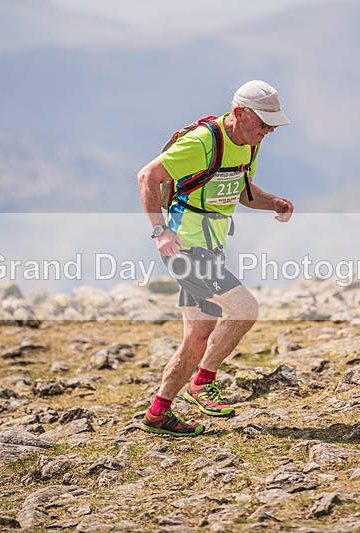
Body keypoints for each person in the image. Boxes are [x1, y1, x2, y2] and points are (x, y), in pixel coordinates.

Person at [136, 80, 294, 437]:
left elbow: (243, 193)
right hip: (187, 249)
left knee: (196, 338)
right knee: (244, 309)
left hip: (210, 249)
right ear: (239, 113)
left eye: (272, 126)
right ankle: (202, 383)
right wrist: (160, 232)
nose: (267, 132)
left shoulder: (248, 146)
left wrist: (275, 203)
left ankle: (158, 413)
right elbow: (148, 176)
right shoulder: (202, 143)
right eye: (263, 124)